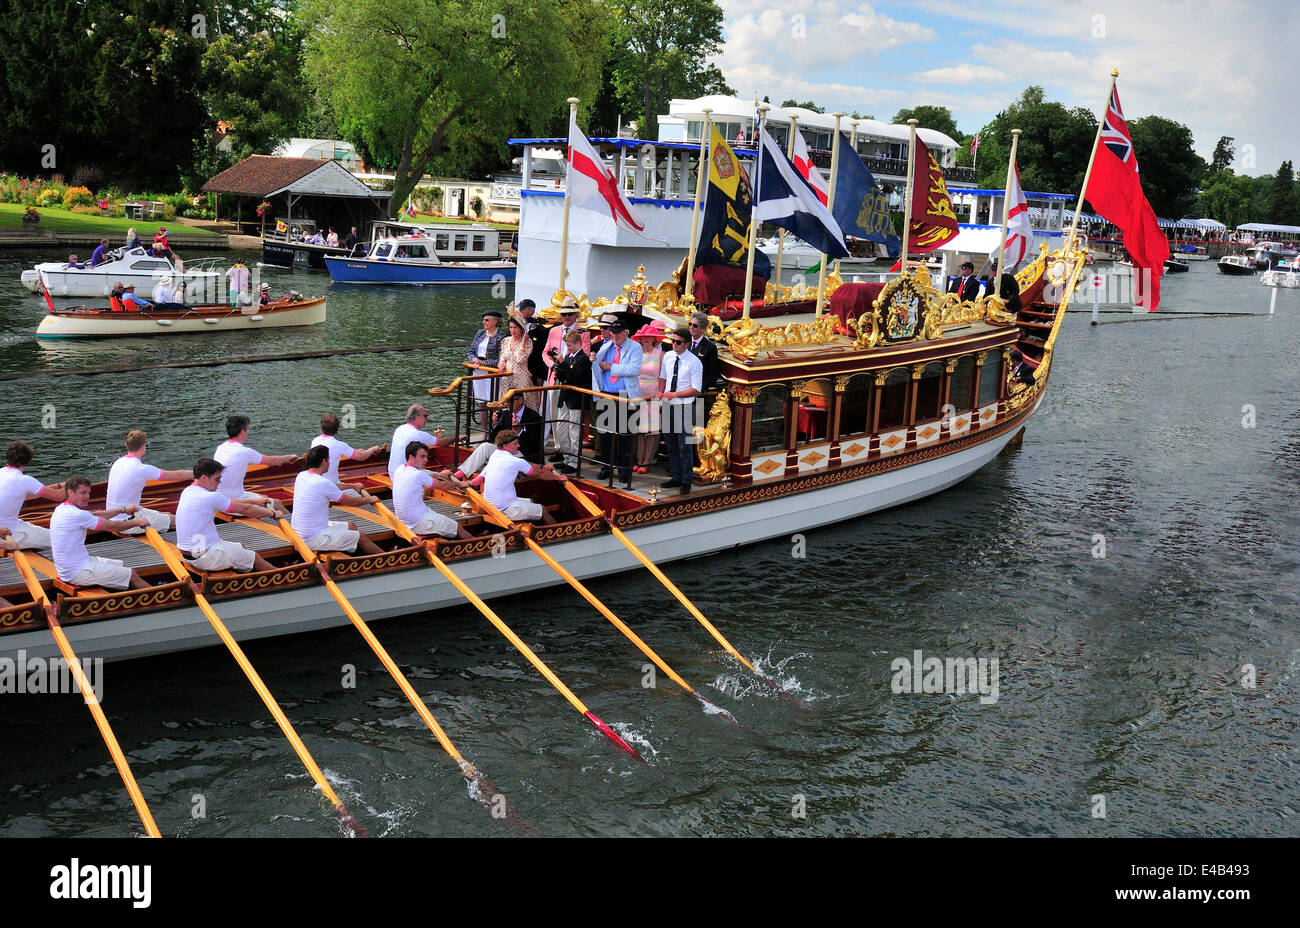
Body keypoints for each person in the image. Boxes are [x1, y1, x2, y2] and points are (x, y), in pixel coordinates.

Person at [50, 476, 151, 590]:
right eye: (83, 493)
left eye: (88, 492)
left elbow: (95, 515)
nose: (87, 497)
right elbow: (111, 526)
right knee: (131, 574)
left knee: (121, 565)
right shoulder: (76, 514)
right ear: (70, 492)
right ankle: (157, 598)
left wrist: (122, 509)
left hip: (73, 568)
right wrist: (137, 522)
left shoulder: (61, 509)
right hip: (78, 572)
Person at [175, 459, 276, 572]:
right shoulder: (210, 497)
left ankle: (245, 573)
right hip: (205, 557)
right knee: (254, 557)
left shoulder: (188, 491)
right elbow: (246, 510)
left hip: (189, 556)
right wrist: (273, 513)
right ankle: (279, 577)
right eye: (217, 479)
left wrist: (255, 501)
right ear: (204, 478)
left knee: (241, 547)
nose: (219, 483)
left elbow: (228, 502)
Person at [290, 446, 383, 555]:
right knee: (361, 536)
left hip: (302, 532)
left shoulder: (302, 475)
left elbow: (331, 486)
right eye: (329, 460)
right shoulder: (322, 483)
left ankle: (356, 552)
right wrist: (370, 499)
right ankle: (385, 557)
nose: (330, 463)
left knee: (351, 526)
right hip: (312, 537)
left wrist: (352, 486)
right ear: (324, 461)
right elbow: (352, 502)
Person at [469, 430, 567, 524]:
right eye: (515, 443)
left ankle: (534, 523)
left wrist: (469, 483)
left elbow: (480, 478)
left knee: (531, 501)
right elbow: (541, 474)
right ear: (505, 446)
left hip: (490, 505)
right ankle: (557, 532)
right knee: (542, 509)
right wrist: (558, 478)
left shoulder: (495, 455)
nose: (518, 446)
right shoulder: (515, 461)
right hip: (506, 509)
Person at [106, 430, 192, 533]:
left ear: (126, 446)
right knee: (181, 521)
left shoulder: (118, 462)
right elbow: (179, 476)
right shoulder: (141, 468)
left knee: (168, 514)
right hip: (128, 522)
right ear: (143, 448)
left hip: (112, 517)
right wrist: (198, 473)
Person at [213, 415, 294, 514]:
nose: (248, 431)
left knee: (262, 498)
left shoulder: (220, 448)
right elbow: (272, 461)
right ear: (243, 431)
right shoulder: (244, 451)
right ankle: (293, 528)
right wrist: (289, 458)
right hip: (233, 502)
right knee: (277, 504)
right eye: (248, 429)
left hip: (219, 498)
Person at [593, 319, 642, 482]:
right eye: (613, 332)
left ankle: (624, 471)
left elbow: (634, 369)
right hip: (606, 393)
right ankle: (606, 467)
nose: (615, 335)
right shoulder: (605, 346)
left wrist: (611, 367)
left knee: (625, 436)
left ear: (626, 333)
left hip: (624, 396)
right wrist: (595, 361)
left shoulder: (635, 347)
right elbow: (598, 365)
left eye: (619, 332)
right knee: (605, 435)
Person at [656, 328, 704, 494]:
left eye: (678, 342)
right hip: (669, 403)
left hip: (684, 405)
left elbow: (696, 389)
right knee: (670, 443)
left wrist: (674, 394)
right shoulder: (668, 356)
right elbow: (663, 377)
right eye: (673, 342)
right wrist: (661, 393)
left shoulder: (694, 362)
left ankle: (686, 480)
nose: (674, 345)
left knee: (685, 445)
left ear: (687, 344)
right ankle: (675, 476)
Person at [393, 441, 473, 539]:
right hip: (417, 522)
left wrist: (439, 474)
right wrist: (460, 484)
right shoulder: (417, 474)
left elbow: (424, 474)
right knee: (457, 527)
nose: (426, 460)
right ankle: (476, 543)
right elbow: (443, 486)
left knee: (439, 518)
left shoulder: (400, 469)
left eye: (426, 456)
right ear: (411, 457)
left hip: (404, 520)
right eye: (422, 456)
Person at [0, 441, 66, 549]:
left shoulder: (1, 472)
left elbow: (28, 496)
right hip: (10, 533)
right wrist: (74, 484)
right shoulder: (25, 480)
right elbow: (58, 497)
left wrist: (60, 485)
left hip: (12, 525)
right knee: (62, 540)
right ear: (28, 460)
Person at [551, 328, 591, 474]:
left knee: (574, 431)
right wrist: (559, 366)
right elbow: (564, 376)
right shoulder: (568, 358)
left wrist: (562, 364)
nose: (568, 348)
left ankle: (574, 461)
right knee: (561, 429)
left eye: (569, 345)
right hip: (565, 398)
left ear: (578, 343)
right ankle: (567, 457)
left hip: (576, 400)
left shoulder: (584, 360)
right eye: (567, 345)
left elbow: (575, 378)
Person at [311, 413, 380, 488]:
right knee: (359, 497)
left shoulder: (315, 441)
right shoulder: (339, 445)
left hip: (316, 483)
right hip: (331, 485)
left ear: (321, 427)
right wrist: (373, 449)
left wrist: (356, 451)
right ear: (337, 428)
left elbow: (334, 451)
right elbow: (361, 457)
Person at [388, 404, 457, 478]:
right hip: (406, 474)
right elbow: (442, 442)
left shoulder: (400, 429)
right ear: (416, 417)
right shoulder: (418, 434)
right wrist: (458, 438)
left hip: (393, 472)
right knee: (444, 476)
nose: (427, 419)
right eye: (425, 416)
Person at [633, 322, 666, 474]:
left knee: (651, 432)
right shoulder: (636, 352)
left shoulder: (660, 355)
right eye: (643, 337)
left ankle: (646, 462)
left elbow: (662, 377)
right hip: (637, 395)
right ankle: (639, 460)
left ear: (654, 338)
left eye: (648, 337)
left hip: (653, 395)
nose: (645, 339)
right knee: (639, 431)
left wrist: (660, 394)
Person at [466, 310, 505, 425]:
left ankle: (494, 428)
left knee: (493, 402)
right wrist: (473, 359)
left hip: (491, 373)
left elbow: (500, 359)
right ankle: (484, 431)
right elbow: (470, 351)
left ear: (495, 321)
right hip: (478, 372)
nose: (484, 322)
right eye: (483, 320)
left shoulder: (501, 337)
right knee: (481, 401)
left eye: (487, 320)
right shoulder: (480, 333)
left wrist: (483, 363)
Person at [542, 297, 589, 386]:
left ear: (576, 314)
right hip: (554, 377)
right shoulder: (553, 331)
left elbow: (585, 355)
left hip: (572, 377)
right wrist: (552, 365)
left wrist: (563, 364)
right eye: (564, 314)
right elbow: (545, 353)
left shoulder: (584, 332)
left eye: (570, 314)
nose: (567, 317)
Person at [497, 315, 538, 411]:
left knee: (525, 404)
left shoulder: (528, 342)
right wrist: (501, 364)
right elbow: (502, 357)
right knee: (506, 404)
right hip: (507, 378)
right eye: (511, 327)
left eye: (515, 327)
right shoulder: (505, 341)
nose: (513, 330)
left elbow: (520, 359)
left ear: (521, 328)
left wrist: (523, 341)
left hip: (521, 378)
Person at [686, 312, 720, 390]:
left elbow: (713, 375)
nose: (691, 327)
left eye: (695, 325)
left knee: (699, 403)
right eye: (690, 324)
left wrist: (697, 388)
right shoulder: (685, 342)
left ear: (703, 329)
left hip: (699, 391)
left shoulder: (710, 348)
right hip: (682, 387)